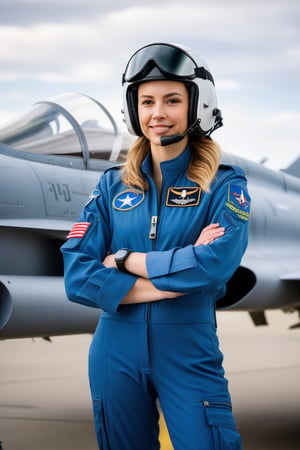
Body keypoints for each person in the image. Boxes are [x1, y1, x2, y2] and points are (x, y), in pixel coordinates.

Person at [61, 42, 250, 449]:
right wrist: (175, 279)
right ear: (135, 110)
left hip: (187, 352)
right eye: (146, 101)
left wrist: (126, 260)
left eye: (171, 100)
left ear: (196, 107)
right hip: (114, 353)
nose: (157, 113)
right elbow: (77, 276)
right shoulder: (111, 186)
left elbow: (215, 265)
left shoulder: (225, 184)